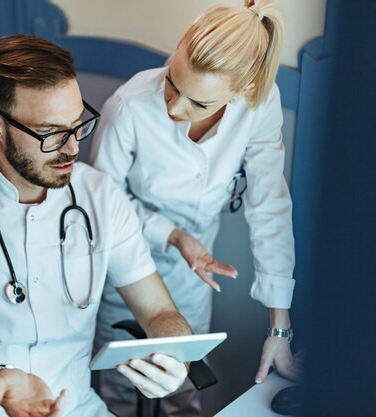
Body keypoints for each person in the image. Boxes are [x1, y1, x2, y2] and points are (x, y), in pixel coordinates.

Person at [0, 34, 193, 417]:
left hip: (75, 406)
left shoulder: (101, 197)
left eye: (76, 125)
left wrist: (174, 355)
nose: (71, 148)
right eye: (50, 133)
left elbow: (158, 312)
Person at [90, 1, 298, 415]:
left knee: (182, 392)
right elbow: (101, 204)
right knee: (120, 394)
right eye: (172, 81)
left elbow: (269, 205)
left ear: (242, 92)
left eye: (198, 104)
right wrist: (172, 234)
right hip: (125, 264)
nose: (173, 108)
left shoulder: (259, 105)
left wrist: (280, 326)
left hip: (195, 274)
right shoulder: (128, 106)